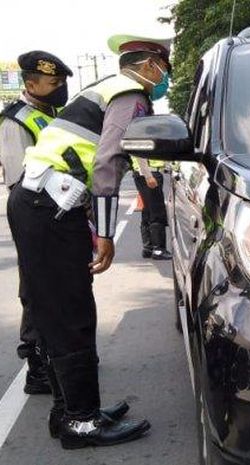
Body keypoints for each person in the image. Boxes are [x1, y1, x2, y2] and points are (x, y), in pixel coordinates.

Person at [6, 33, 173, 449]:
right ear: (151, 66)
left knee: (61, 310)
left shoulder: (100, 90)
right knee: (70, 312)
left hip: (41, 205)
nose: (165, 77)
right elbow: (107, 161)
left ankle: (70, 412)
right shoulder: (131, 94)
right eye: (165, 69)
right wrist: (103, 233)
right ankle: (80, 422)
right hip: (50, 207)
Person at [0, 51, 72, 395]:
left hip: (57, 213)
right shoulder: (16, 121)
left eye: (62, 82)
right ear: (31, 84)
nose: (61, 89)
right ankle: (37, 365)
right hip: (34, 214)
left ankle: (60, 356)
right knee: (36, 285)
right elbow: (18, 180)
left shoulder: (50, 114)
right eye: (54, 83)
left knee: (56, 285)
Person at [132, 156, 172, 259]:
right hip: (149, 173)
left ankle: (148, 248)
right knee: (157, 211)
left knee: (148, 210)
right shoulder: (142, 139)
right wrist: (148, 176)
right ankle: (158, 250)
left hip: (144, 173)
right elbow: (140, 154)